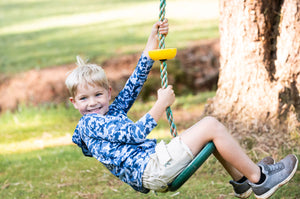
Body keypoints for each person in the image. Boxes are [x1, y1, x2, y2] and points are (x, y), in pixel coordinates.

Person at [65, 19, 298, 199]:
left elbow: (134, 83)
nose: (92, 103)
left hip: (154, 165)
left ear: (107, 92)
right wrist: (160, 105)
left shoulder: (110, 113)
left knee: (208, 133)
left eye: (97, 95)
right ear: (74, 102)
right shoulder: (90, 123)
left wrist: (151, 41)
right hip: (153, 168)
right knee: (210, 126)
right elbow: (135, 135)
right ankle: (261, 180)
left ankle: (242, 180)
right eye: (84, 98)